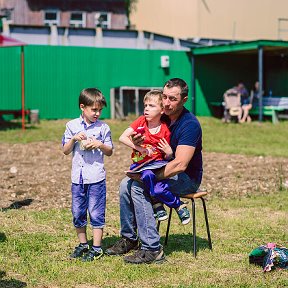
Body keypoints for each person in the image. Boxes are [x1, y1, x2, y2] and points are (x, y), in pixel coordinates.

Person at [106, 78, 203, 264]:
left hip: (185, 178)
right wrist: (137, 143)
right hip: (156, 168)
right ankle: (130, 238)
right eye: (164, 97)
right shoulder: (162, 117)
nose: (166, 103)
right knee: (125, 184)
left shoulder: (190, 124)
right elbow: (143, 138)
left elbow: (180, 165)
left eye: (172, 99)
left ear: (184, 100)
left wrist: (145, 177)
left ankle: (152, 249)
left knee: (136, 187)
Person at [119, 89, 191, 225]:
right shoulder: (140, 122)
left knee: (156, 185)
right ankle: (167, 204)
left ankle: (166, 204)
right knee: (146, 176)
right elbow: (122, 137)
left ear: (162, 110)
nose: (146, 109)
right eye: (145, 105)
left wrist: (169, 151)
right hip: (140, 165)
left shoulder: (164, 129)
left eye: (151, 106)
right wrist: (140, 148)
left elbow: (168, 157)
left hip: (156, 165)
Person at [62, 88, 113, 262]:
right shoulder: (71, 126)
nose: (97, 113)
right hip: (78, 178)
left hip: (96, 178)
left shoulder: (103, 127)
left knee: (96, 213)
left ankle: (97, 248)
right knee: (77, 212)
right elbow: (65, 151)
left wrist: (99, 144)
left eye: (100, 110)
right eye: (94, 110)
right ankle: (83, 244)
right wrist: (74, 139)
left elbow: (110, 151)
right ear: (82, 107)